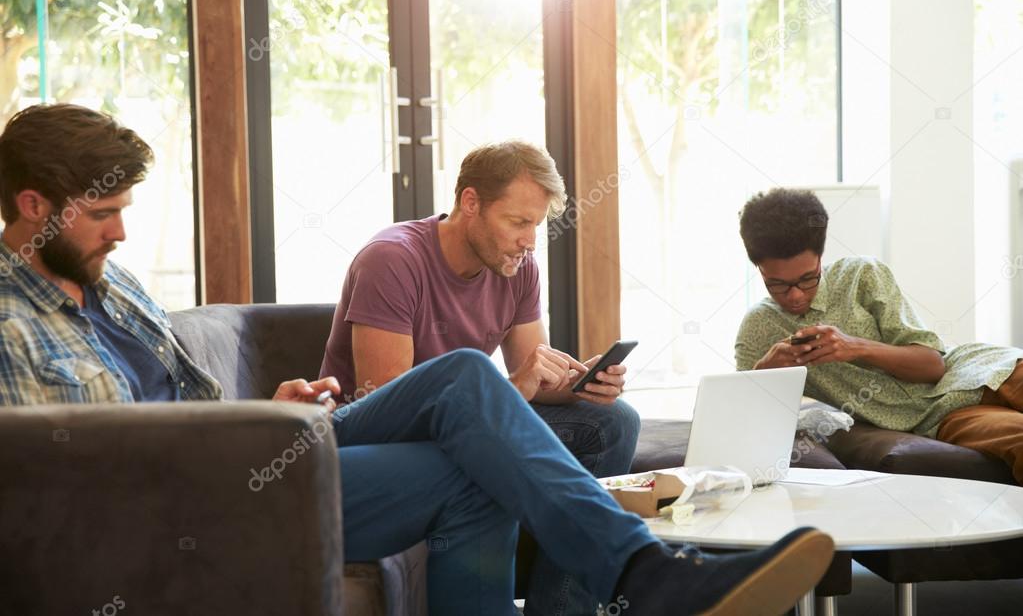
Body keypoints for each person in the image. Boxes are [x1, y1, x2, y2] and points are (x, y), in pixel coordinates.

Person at [0, 104, 835, 615]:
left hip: (264, 456)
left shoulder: (118, 289)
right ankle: (647, 573)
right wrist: (238, 437)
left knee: (537, 437)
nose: (119, 232)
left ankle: (625, 582)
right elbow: (51, 486)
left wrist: (275, 404)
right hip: (188, 510)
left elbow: (195, 404)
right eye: (101, 213)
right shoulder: (8, 323)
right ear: (33, 206)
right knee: (467, 385)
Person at [320, 141, 639, 614]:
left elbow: (533, 373)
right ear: (471, 203)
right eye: (517, 222)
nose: (530, 241)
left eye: (536, 224)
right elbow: (391, 402)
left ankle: (562, 610)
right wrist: (517, 386)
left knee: (614, 422)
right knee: (469, 371)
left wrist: (579, 383)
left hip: (460, 426)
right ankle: (632, 556)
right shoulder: (392, 259)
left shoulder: (517, 267)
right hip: (372, 438)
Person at [734, 187, 1023, 484]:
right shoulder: (759, 327)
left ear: (820, 258)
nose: (795, 296)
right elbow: (743, 424)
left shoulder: (862, 275)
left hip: (984, 369)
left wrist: (854, 347)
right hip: (940, 417)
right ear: (759, 269)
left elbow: (934, 367)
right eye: (778, 285)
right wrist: (764, 371)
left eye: (808, 278)